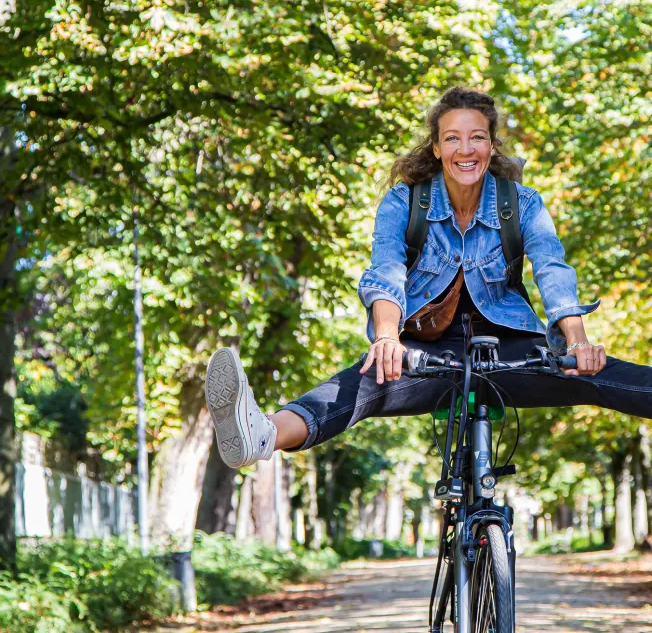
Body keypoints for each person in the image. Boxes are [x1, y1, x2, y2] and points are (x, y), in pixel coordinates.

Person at [204, 87, 652, 469]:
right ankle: (261, 436)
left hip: (508, 348)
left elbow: (552, 270)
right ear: (437, 148)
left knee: (596, 374)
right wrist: (385, 338)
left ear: (492, 146)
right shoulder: (404, 203)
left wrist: (576, 343)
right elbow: (386, 273)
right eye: (452, 138)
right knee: (359, 388)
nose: (465, 149)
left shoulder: (524, 203)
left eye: (477, 137)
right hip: (425, 350)